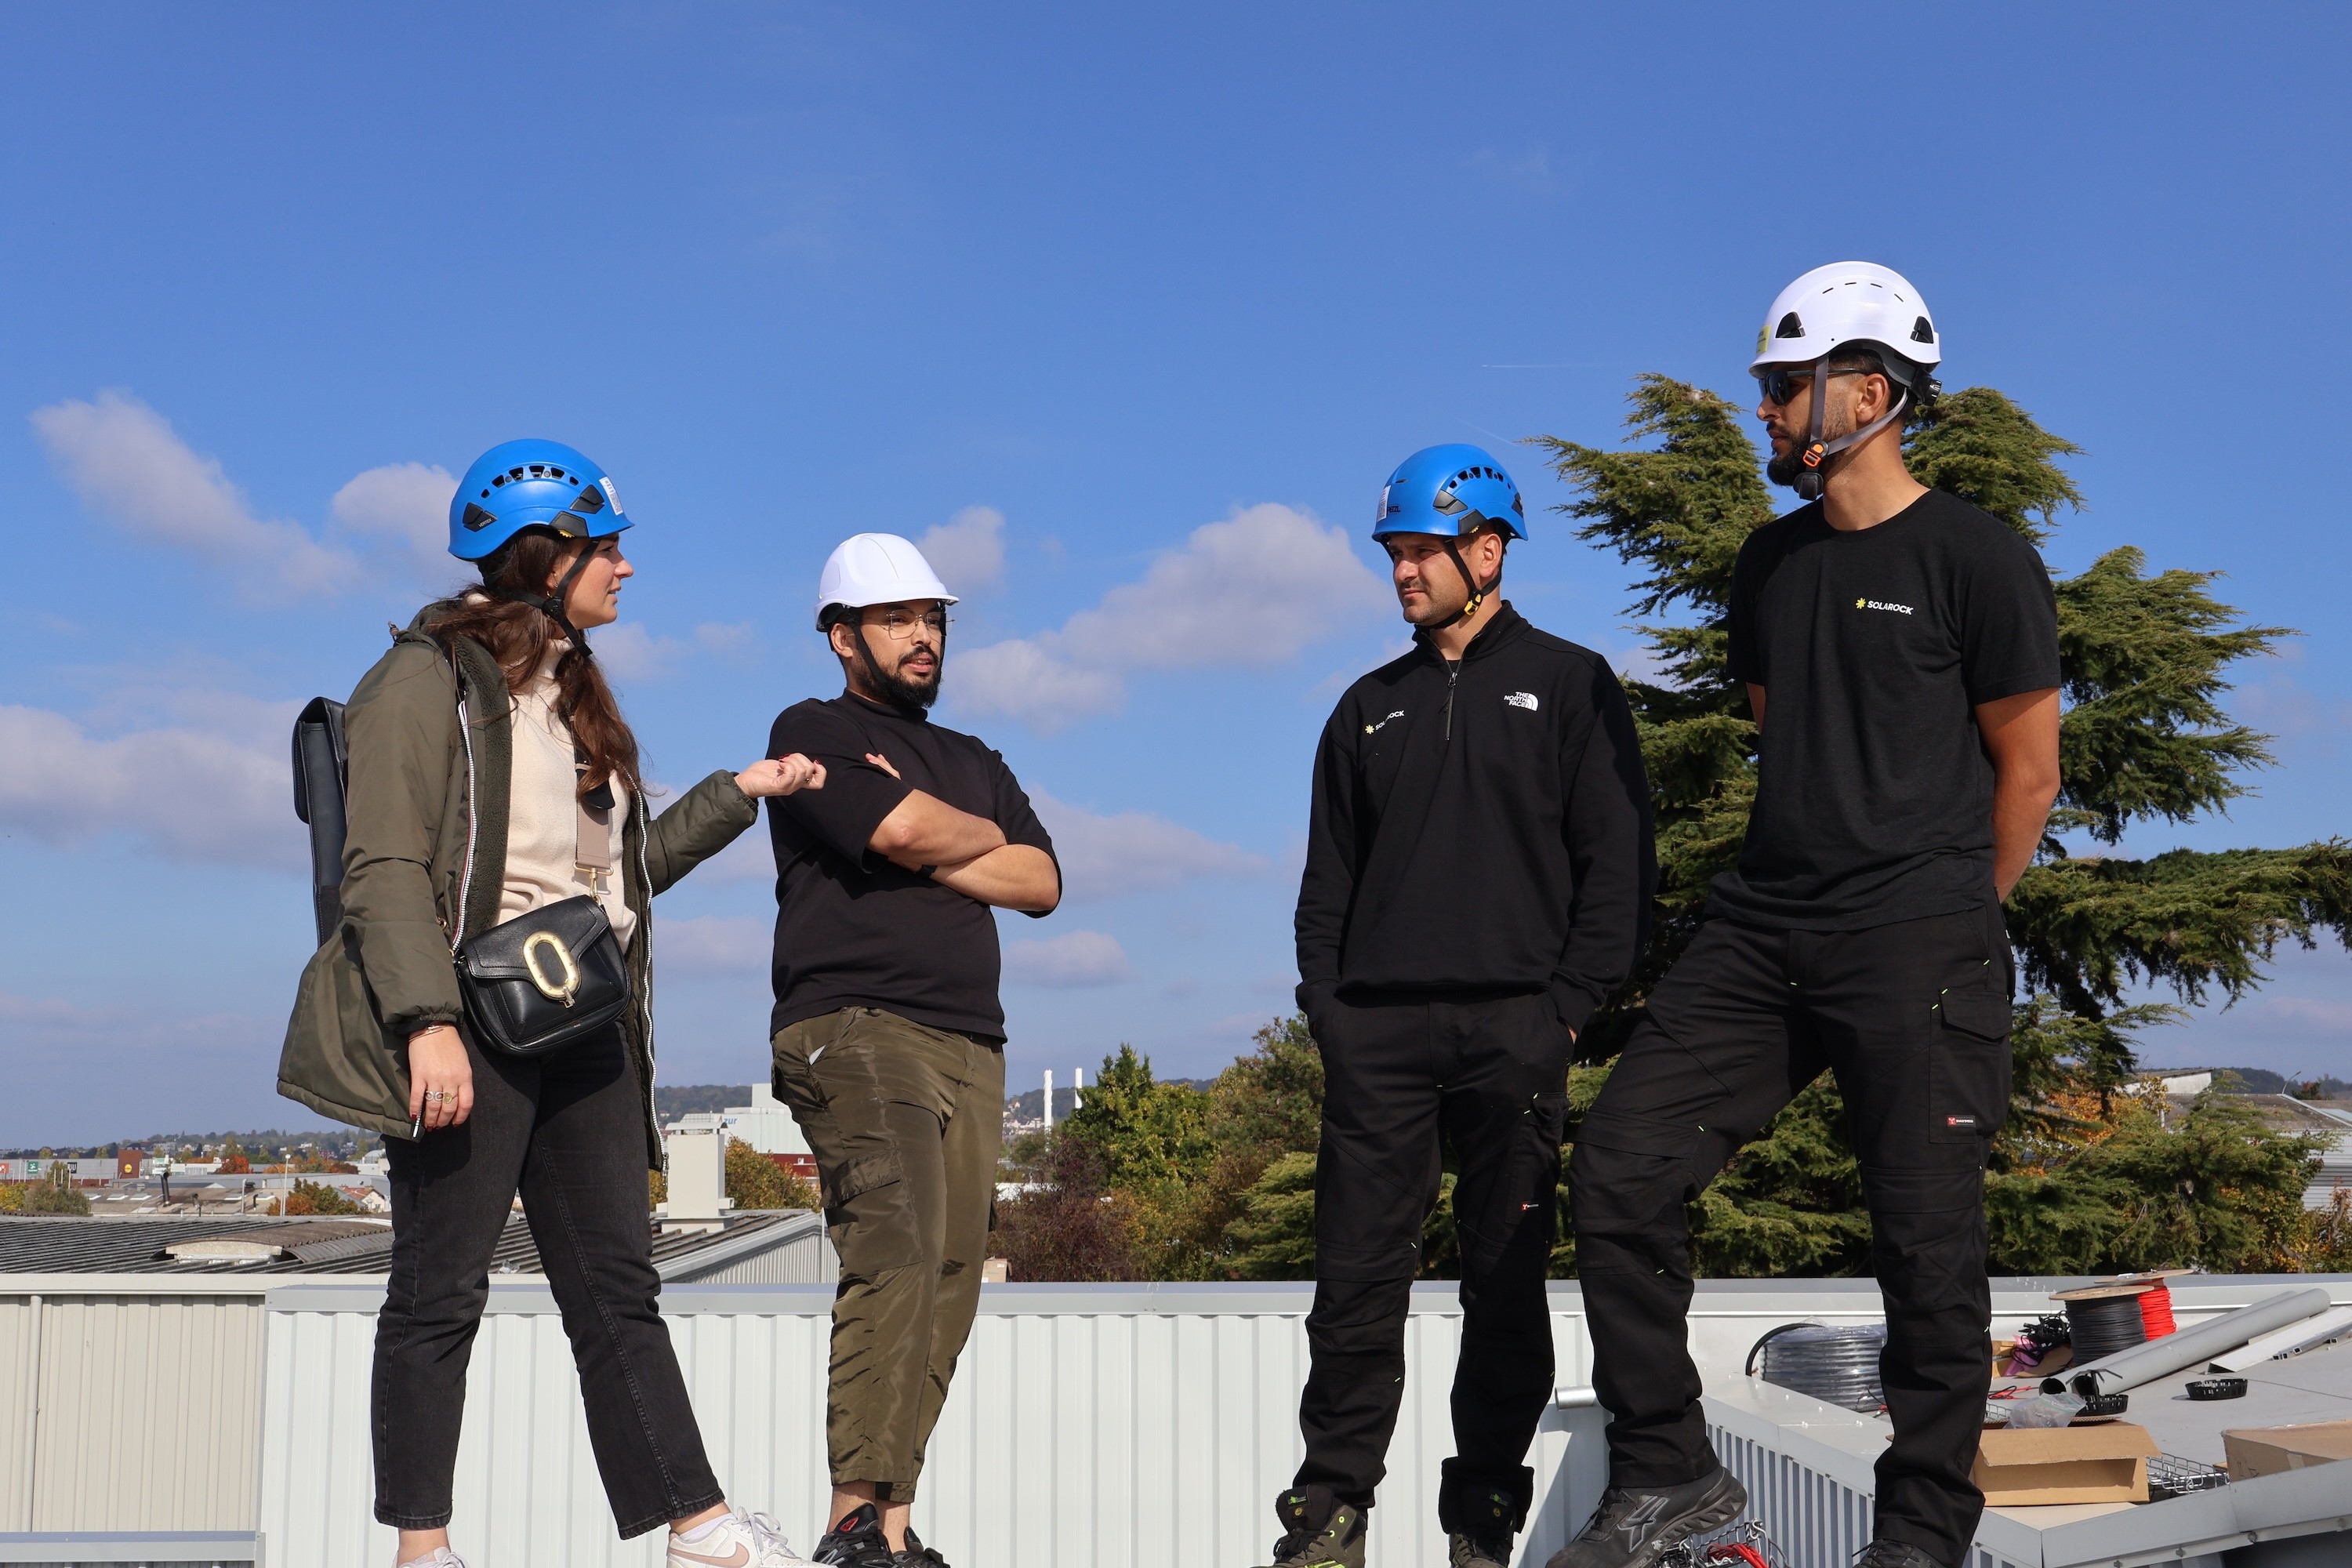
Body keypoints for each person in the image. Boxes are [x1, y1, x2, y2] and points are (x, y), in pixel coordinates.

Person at [1558, 264, 2063, 1568]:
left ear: (1871, 390)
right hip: (1762, 932)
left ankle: (1921, 1534)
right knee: (1618, 1168)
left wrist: (1952, 916)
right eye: (1767, 386)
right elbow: (1783, 731)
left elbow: (2029, 771)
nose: (1766, 410)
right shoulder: (1770, 564)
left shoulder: (1977, 558)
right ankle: (1669, 1471)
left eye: (1787, 386)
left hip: (1921, 938)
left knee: (1925, 1249)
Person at [281, 439, 824, 1568]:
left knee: (618, 1287)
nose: (626, 567)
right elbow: (383, 868)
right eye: (607, 546)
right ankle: (423, 1550)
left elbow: (615, 884)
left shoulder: (572, 695)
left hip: (583, 1022)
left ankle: (699, 1530)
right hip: (467, 1024)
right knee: (441, 1289)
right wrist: (428, 1023)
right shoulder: (421, 681)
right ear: (545, 554)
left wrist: (741, 794)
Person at [1267, 446, 1657, 1568]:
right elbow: (1325, 890)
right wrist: (1333, 1016)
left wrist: (1564, 1013)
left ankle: (1482, 1521)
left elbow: (1618, 868)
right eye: (1393, 553)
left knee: (1505, 1289)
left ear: (1488, 552)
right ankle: (1329, 1517)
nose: (1403, 571)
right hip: (1377, 1042)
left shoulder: (1572, 684)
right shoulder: (1365, 707)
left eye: (1423, 552)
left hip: (1515, 1034)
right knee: (1353, 1289)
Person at [764, 533, 1061, 1568]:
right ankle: (850, 1523)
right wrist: (942, 834)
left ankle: (891, 1528)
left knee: (951, 1276)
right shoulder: (812, 729)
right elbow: (898, 834)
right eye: (897, 619)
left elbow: (1042, 881)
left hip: (972, 1040)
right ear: (843, 637)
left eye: (933, 618)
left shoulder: (976, 759)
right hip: (855, 1026)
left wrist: (931, 831)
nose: (923, 635)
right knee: (894, 1247)